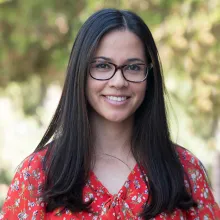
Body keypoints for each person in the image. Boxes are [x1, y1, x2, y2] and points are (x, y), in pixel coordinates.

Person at [1, 8, 220, 220]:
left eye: (133, 67)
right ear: (81, 71)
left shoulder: (184, 171)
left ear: (149, 77)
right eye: (103, 66)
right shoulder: (37, 175)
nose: (118, 82)